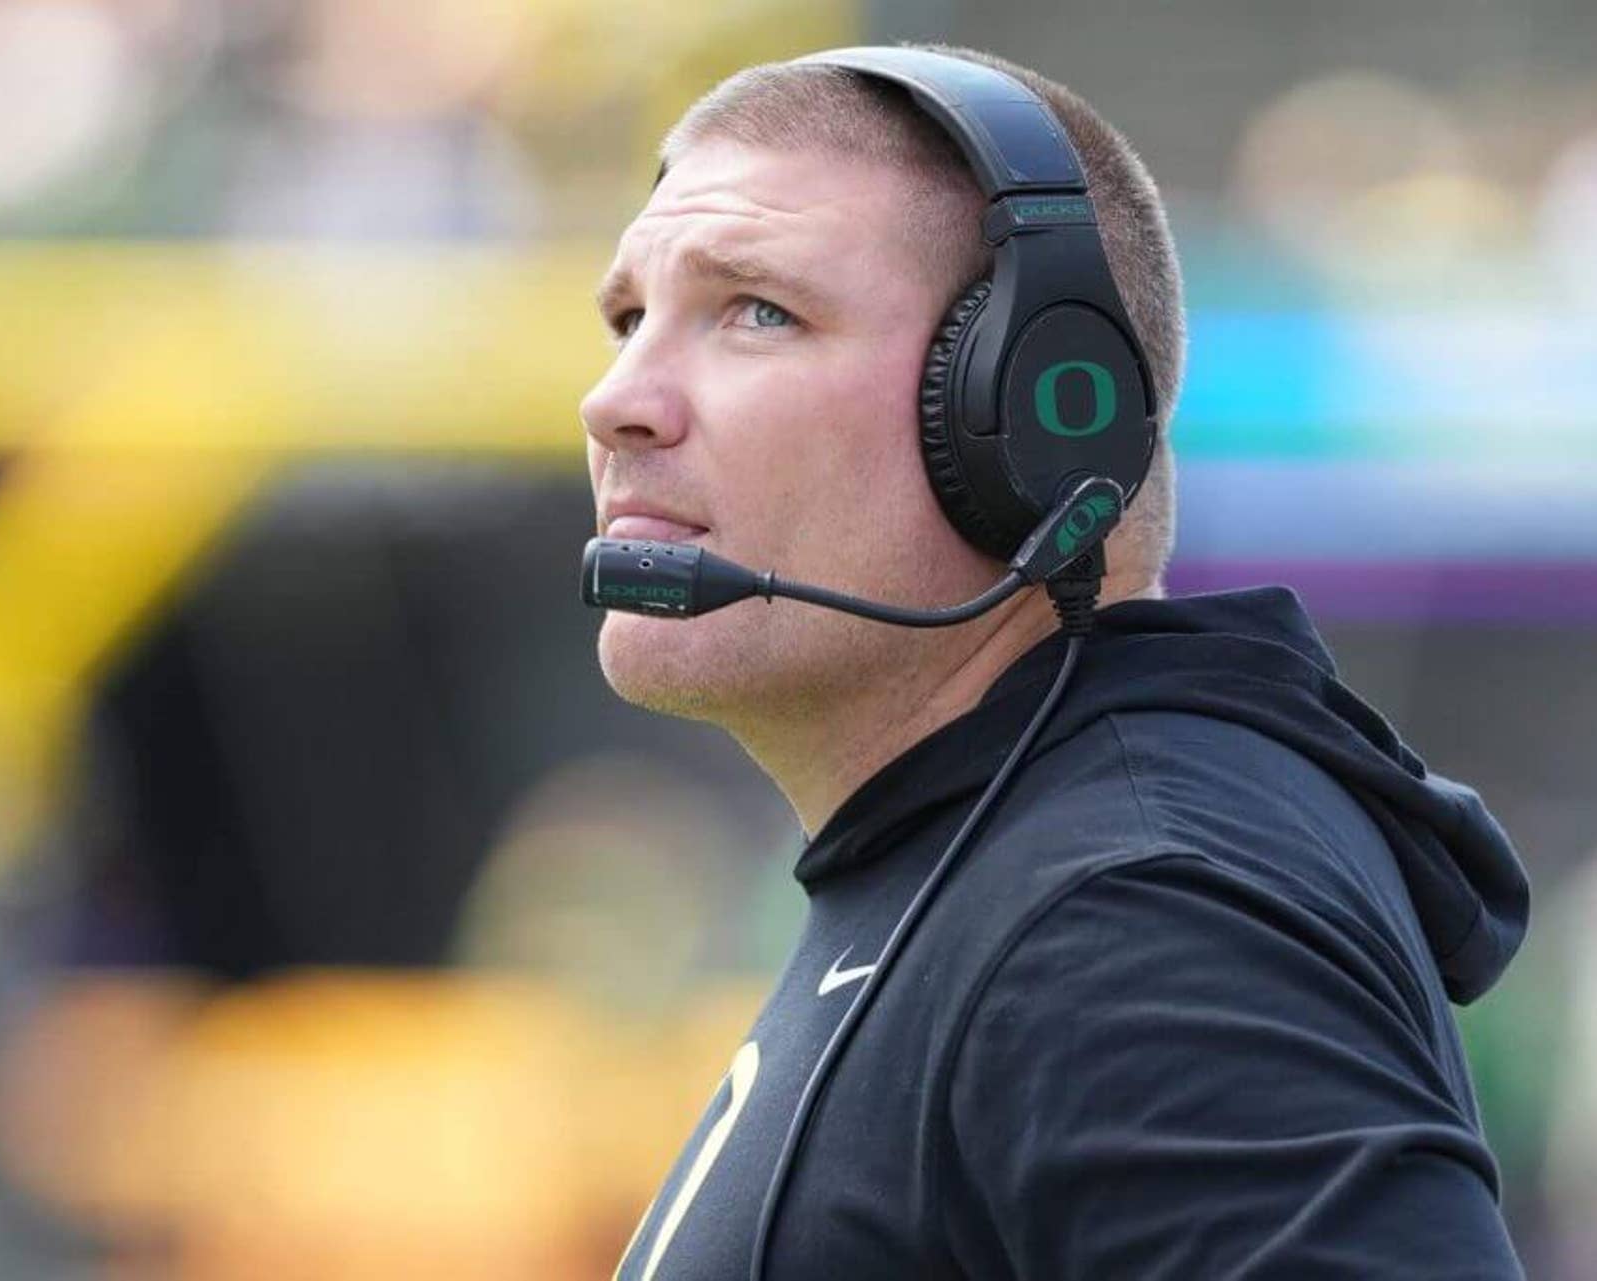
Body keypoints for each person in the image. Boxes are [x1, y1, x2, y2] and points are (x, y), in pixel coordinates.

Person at [581, 42, 1529, 1280]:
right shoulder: (994, 865)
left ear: (1032, 412)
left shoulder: (1136, 909)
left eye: (758, 311)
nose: (618, 399)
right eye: (628, 318)